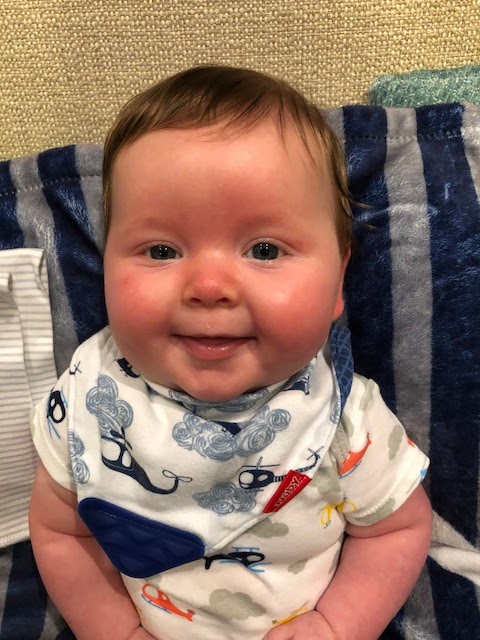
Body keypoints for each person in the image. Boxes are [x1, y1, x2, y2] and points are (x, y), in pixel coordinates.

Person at [29, 65, 432, 640]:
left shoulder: (343, 415)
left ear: (338, 281)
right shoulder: (87, 396)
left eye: (264, 249)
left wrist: (337, 625)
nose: (209, 286)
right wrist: (114, 629)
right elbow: (62, 533)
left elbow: (395, 531)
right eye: (161, 250)